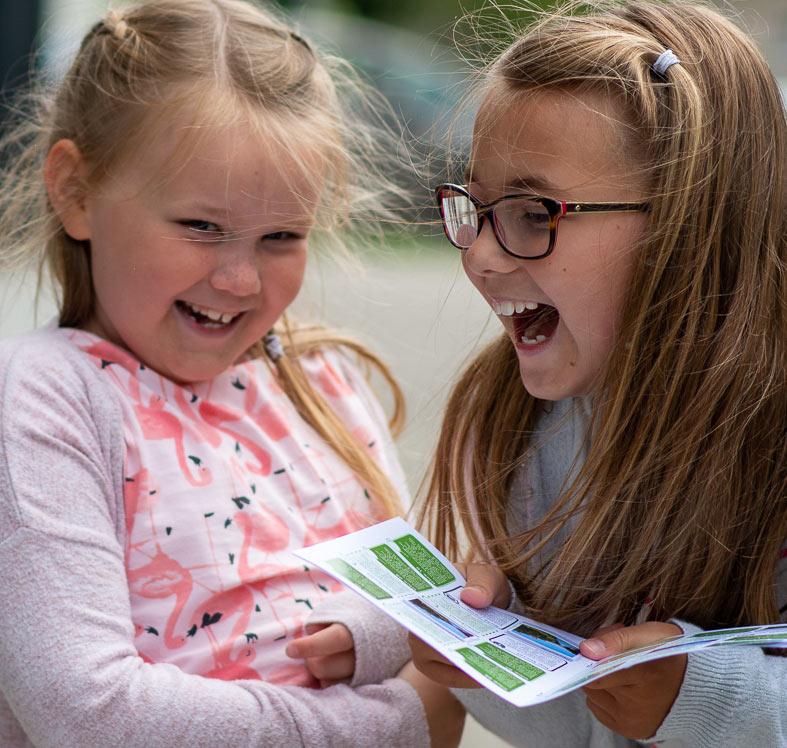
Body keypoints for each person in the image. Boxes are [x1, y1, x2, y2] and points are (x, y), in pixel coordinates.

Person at [0, 1, 463, 745]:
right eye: (201, 227)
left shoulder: (319, 383)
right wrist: (393, 721)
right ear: (76, 192)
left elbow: (427, 614)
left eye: (282, 236)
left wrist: (385, 632)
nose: (242, 280)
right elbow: (88, 715)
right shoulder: (44, 399)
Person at [403, 1, 785, 746]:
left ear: (687, 222)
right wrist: (494, 654)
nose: (478, 256)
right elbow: (580, 732)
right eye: (473, 207)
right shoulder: (525, 417)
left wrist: (704, 701)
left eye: (532, 212)